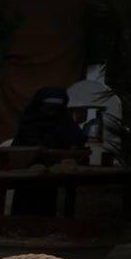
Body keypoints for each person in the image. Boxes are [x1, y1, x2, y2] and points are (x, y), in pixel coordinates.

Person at [10, 86, 88, 216]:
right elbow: (24, 145)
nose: (51, 113)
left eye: (55, 109)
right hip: (29, 174)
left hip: (52, 174)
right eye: (48, 109)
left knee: (47, 209)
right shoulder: (30, 121)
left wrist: (73, 145)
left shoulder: (63, 119)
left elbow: (76, 137)